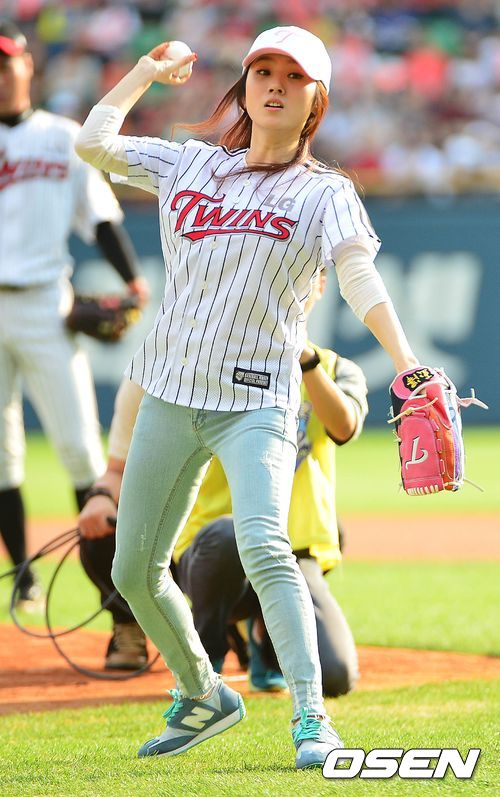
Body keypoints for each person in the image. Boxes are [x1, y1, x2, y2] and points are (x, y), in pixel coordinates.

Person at [75, 25, 419, 769]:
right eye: (263, 70)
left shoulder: (325, 191)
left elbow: (359, 275)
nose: (274, 85)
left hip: (257, 399)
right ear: (244, 86)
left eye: (293, 76)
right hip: (170, 392)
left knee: (264, 543)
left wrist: (408, 364)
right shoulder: (192, 162)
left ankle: (312, 719)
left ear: (315, 99)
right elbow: (93, 143)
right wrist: (144, 72)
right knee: (134, 570)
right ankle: (203, 691)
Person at [79, 271, 367, 697]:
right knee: (231, 535)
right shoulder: (200, 367)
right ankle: (207, 655)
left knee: (336, 676)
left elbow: (345, 427)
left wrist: (303, 358)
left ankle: (262, 641)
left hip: (292, 551)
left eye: (304, 277)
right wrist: (103, 495)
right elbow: (130, 455)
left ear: (321, 286)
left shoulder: (336, 367)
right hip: (212, 549)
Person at [0, 21, 149, 614]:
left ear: (27, 65)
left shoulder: (63, 137)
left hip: (45, 302)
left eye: (6, 62)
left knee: (82, 448)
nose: (0, 74)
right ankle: (22, 576)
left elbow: (101, 218)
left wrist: (132, 279)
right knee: (1, 453)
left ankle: (112, 592)